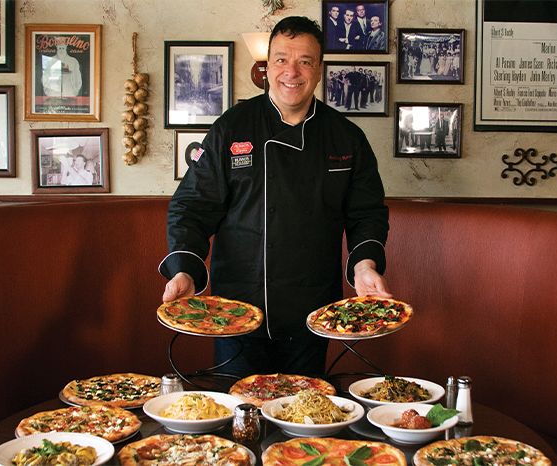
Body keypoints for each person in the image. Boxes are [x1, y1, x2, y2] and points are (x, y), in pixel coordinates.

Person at [159, 16, 391, 377]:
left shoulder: (346, 138)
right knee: (236, 422)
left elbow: (367, 213)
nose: (292, 72)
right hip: (236, 312)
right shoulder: (231, 127)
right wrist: (185, 269)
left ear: (319, 70)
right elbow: (192, 206)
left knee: (305, 420)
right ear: (267, 67)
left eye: (305, 61)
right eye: (282, 59)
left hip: (313, 312)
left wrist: (365, 266)